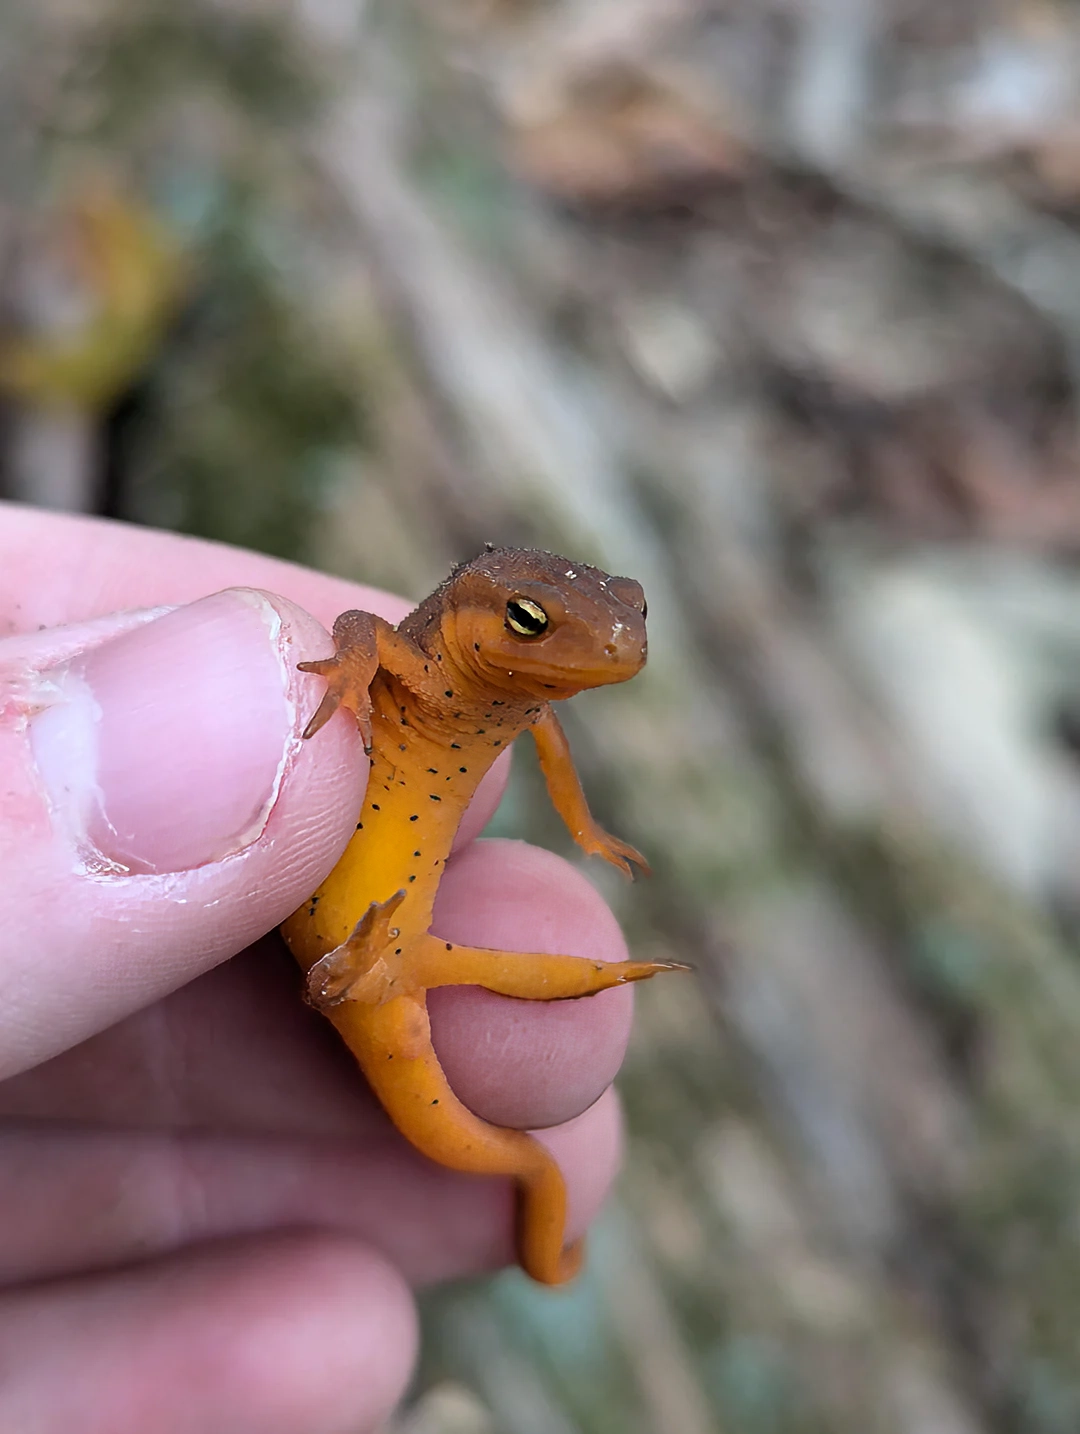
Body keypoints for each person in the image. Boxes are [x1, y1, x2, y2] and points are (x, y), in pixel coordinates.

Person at [0, 503, 640, 1432]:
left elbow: (549, 742)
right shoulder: (426, 662)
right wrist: (346, 672)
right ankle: (544, 1208)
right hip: (353, 938)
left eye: (631, 616)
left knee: (516, 1128)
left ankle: (546, 1210)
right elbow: (362, 627)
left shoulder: (526, 702)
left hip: (381, 944)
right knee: (494, 1093)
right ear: (471, 619)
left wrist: (584, 828)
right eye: (530, 623)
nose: (615, 646)